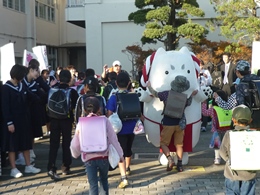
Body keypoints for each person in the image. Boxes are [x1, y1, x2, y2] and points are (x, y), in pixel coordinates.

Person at [70, 97, 124, 195]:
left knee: (93, 185)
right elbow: (113, 139)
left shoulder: (81, 123)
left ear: (85, 110)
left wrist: (75, 153)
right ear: (99, 108)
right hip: (103, 157)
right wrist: (120, 155)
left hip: (89, 158)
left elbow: (75, 144)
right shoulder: (105, 121)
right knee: (104, 181)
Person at [147, 76, 198, 172]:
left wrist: (149, 86)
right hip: (180, 123)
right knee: (179, 145)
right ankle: (180, 165)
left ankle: (170, 159)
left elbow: (155, 94)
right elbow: (189, 102)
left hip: (168, 122)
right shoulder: (184, 98)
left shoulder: (166, 94)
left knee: (163, 143)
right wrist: (192, 94)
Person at [1, 64, 41, 178]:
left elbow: (31, 96)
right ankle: (13, 168)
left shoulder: (21, 86)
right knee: (12, 146)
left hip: (24, 120)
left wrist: (43, 98)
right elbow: (5, 107)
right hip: (12, 122)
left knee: (26, 144)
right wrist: (9, 122)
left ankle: (28, 166)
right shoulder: (5, 88)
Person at [47, 69, 79, 180]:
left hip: (54, 120)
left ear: (59, 78)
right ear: (70, 79)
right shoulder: (72, 92)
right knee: (66, 143)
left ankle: (51, 167)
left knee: (53, 144)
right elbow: (76, 107)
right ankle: (65, 166)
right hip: (67, 120)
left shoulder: (52, 90)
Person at [106, 72, 136, 188]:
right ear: (129, 83)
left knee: (120, 152)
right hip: (132, 128)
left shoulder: (114, 97)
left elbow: (109, 113)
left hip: (120, 129)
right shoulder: (133, 95)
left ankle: (124, 177)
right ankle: (128, 168)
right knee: (128, 149)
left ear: (116, 83)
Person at [220, 105, 257, 195]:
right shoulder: (255, 135)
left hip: (232, 173)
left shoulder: (229, 134)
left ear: (234, 120)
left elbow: (222, 151)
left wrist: (229, 161)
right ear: (250, 120)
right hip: (249, 174)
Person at [201, 90, 231, 165]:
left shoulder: (214, 109)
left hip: (216, 130)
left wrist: (204, 103)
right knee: (228, 145)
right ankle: (229, 158)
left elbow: (205, 113)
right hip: (228, 130)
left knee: (217, 145)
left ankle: (217, 158)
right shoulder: (228, 107)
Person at [199, 60, 212, 132]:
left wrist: (206, 77)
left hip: (204, 91)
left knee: (204, 108)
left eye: (201, 65)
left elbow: (210, 82)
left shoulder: (206, 72)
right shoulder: (195, 72)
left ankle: (204, 125)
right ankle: (198, 123)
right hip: (197, 92)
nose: (200, 67)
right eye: (199, 65)